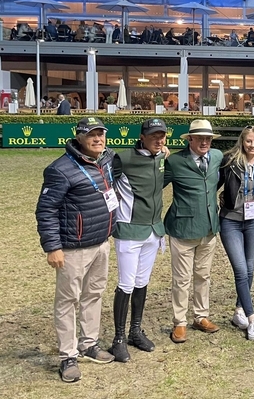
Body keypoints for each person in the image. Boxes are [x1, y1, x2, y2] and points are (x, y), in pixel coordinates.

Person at [36, 117, 117, 382]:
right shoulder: (60, 169)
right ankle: (67, 355)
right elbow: (46, 210)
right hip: (72, 249)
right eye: (92, 135)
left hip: (101, 242)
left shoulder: (106, 160)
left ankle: (88, 344)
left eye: (101, 134)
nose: (98, 139)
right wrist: (52, 246)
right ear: (79, 138)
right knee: (68, 301)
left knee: (93, 294)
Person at [108, 119, 168, 362]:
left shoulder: (161, 157)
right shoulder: (124, 158)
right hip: (130, 231)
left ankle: (135, 331)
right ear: (142, 137)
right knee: (126, 284)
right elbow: (105, 181)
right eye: (154, 135)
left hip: (153, 231)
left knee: (142, 282)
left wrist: (163, 151)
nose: (159, 140)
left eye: (162, 135)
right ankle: (118, 339)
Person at [164, 119, 224, 343]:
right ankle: (179, 322)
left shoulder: (217, 157)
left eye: (208, 138)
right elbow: (155, 183)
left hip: (209, 228)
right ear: (190, 139)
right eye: (200, 138)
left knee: (204, 276)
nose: (205, 142)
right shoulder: (175, 161)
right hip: (182, 228)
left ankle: (201, 316)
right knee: (181, 279)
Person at [218, 125, 254, 341]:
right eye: (249, 141)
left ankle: (239, 309)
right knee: (240, 269)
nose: (252, 145)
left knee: (249, 268)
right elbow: (213, 183)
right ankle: (252, 319)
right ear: (242, 141)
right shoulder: (229, 160)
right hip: (230, 220)